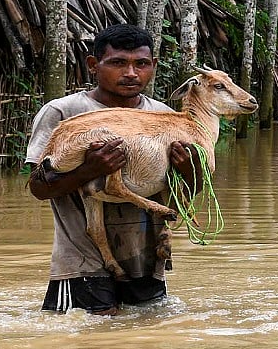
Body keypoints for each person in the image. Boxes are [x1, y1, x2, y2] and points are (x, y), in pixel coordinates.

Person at [25, 23, 204, 315]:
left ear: (153, 66)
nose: (131, 73)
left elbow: (190, 192)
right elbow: (38, 187)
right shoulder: (64, 112)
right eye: (119, 63)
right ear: (94, 65)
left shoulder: (166, 117)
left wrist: (189, 168)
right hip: (82, 265)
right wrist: (88, 170)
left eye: (141, 64)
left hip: (147, 263)